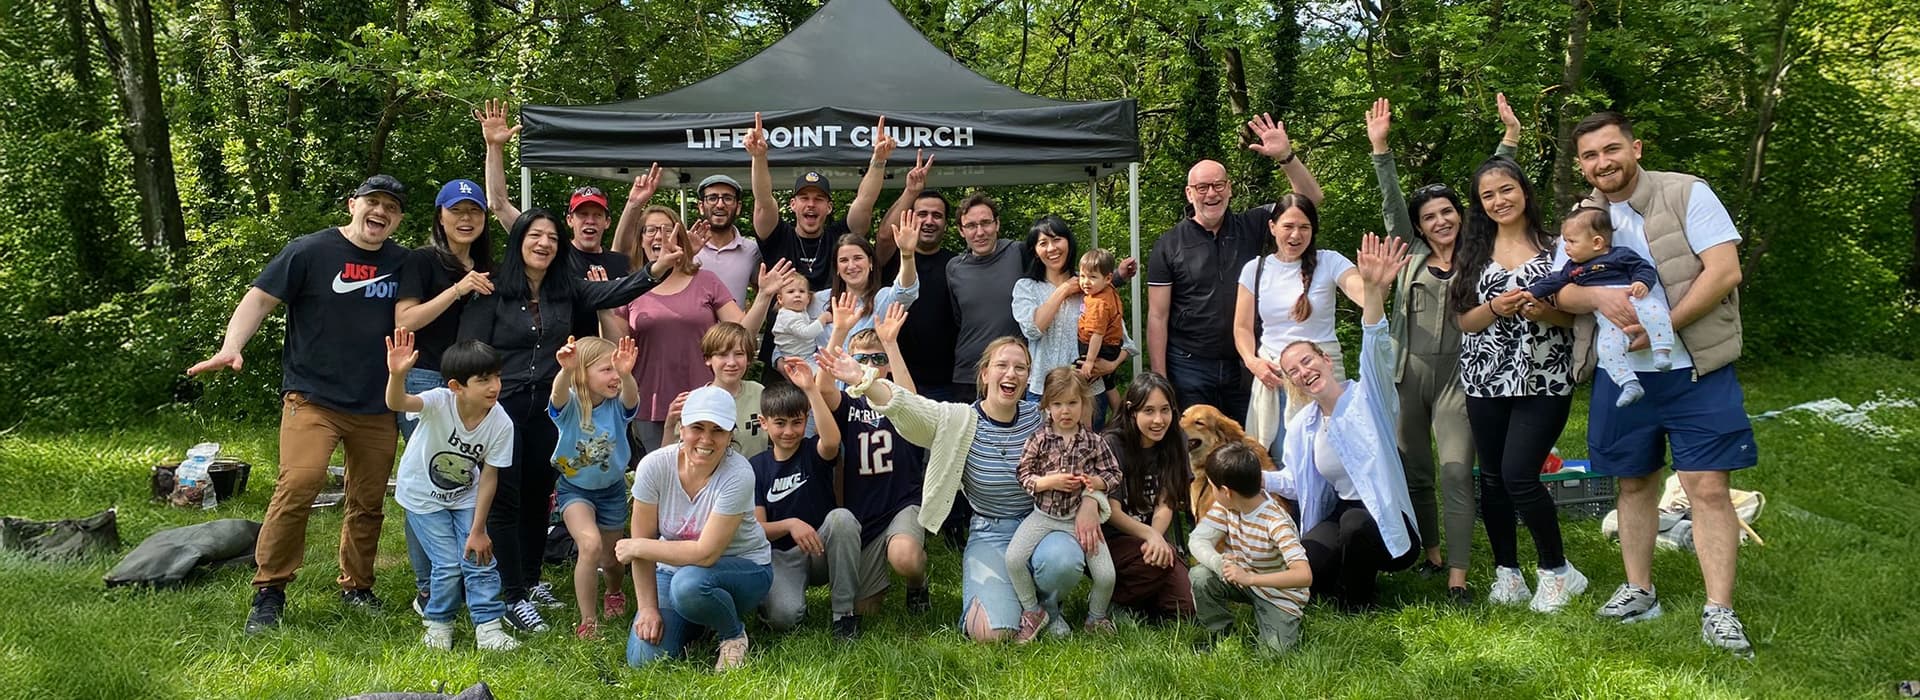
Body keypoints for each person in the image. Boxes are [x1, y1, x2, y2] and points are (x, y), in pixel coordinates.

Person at [1551, 111, 1758, 656]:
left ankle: (1720, 610)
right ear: (1582, 165)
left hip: (1695, 370)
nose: (1603, 163)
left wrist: (1661, 328)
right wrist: (1596, 297)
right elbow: (1561, 293)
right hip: (1624, 381)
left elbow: (1724, 270)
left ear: (1636, 148)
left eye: (1611, 149)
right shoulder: (1584, 219)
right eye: (1591, 156)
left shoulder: (1687, 193)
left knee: (1707, 488)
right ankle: (1640, 590)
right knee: (1634, 483)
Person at [189, 174, 411, 634]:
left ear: (398, 219)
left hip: (377, 403)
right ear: (353, 205)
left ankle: (357, 586)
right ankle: (270, 591)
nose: (381, 212)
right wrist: (232, 344)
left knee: (368, 502)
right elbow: (260, 299)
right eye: (374, 202)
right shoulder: (310, 251)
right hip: (313, 398)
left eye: (391, 207)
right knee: (299, 486)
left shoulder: (404, 263)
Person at [458, 208, 674, 633]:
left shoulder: (566, 290)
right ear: (519, 240)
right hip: (503, 407)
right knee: (506, 494)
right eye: (535, 235)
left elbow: (616, 289)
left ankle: (532, 579)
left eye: (553, 238)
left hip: (550, 412)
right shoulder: (494, 290)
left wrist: (656, 270)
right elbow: (473, 348)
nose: (544, 244)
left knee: (539, 495)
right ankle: (512, 592)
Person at [819, 337, 1099, 642]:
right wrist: (864, 379)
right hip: (991, 532)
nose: (1011, 373)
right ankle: (1016, 599)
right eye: (1002, 365)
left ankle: (1046, 607)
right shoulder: (958, 420)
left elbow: (1089, 459)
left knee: (1063, 561)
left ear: (1028, 378)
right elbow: (908, 405)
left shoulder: (1043, 419)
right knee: (989, 634)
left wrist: (1090, 501)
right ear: (985, 374)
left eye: (1020, 367)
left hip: (1042, 524)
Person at [1365, 95, 1518, 598]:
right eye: (1429, 216)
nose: (1441, 221)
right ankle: (1430, 553)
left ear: (1460, 215)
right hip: (1408, 375)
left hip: (1461, 378)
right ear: (1420, 226)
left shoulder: (1479, 251)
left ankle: (1457, 575)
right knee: (1417, 471)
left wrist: (1509, 140)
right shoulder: (1408, 255)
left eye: (1447, 211)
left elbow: (1497, 193)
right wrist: (1380, 148)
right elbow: (1391, 202)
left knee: (1455, 470)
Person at [1450, 156, 1584, 613]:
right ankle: (1508, 572)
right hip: (1485, 379)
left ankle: (1558, 572)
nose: (1498, 200)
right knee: (1492, 480)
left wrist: (1547, 313)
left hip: (1544, 378)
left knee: (1520, 476)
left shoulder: (1557, 248)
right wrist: (1495, 308)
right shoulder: (1470, 253)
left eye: (1506, 189)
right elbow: (1465, 322)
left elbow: (1578, 315)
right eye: (1487, 195)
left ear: (1524, 191)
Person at [1263, 234, 1423, 610]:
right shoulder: (1305, 424)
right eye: (1293, 371)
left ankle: (1358, 601)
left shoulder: (1370, 398)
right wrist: (1247, 475)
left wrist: (1372, 293)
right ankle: (1338, 580)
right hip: (1342, 512)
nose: (1303, 372)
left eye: (1307, 361)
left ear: (1326, 359)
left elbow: (1376, 347)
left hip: (1381, 518)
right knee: (1310, 569)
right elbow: (1295, 481)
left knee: (1355, 527)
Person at [1149, 113, 1325, 425]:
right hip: (1189, 366)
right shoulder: (1168, 244)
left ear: (1230, 188)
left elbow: (1310, 199)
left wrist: (1286, 156)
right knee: (1197, 452)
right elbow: (1157, 316)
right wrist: (1160, 379)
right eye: (1202, 187)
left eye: (1218, 185)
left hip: (1248, 364)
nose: (1211, 194)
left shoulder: (1253, 225)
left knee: (1250, 449)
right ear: (1189, 193)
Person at [616, 386, 773, 671]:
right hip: (673, 572)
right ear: (681, 427)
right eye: (697, 427)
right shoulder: (653, 466)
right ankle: (701, 620)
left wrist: (639, 546)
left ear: (731, 435)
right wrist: (647, 608)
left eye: (718, 430)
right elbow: (643, 543)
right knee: (644, 661)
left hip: (743, 569)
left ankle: (732, 634)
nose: (706, 439)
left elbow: (705, 555)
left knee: (689, 584)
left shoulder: (738, 474)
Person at [394, 177, 498, 609]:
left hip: (472, 386)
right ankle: (427, 587)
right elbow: (407, 321)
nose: (466, 218)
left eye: (474, 211)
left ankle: (453, 574)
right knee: (426, 481)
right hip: (425, 379)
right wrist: (458, 289)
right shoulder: (421, 261)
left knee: (463, 478)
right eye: (457, 210)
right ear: (440, 216)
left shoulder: (487, 263)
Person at [382, 331, 519, 652]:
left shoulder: (501, 422)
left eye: (497, 377)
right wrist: (397, 375)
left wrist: (479, 529)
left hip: (464, 495)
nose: (495, 386)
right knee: (447, 564)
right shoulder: (438, 401)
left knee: (479, 557)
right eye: (484, 380)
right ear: (457, 387)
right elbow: (397, 402)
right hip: (421, 495)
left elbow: (489, 476)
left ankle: (488, 625)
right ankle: (438, 622)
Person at [606, 206, 782, 454]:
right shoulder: (628, 286)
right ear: (640, 240)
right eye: (652, 230)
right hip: (650, 405)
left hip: (706, 401)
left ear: (680, 238)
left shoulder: (706, 280)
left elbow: (741, 333)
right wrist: (602, 308)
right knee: (664, 480)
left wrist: (764, 296)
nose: (660, 236)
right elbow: (618, 346)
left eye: (668, 230)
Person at [478, 99, 641, 338]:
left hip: (605, 362)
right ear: (569, 220)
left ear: (607, 222)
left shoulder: (618, 263)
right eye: (582, 215)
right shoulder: (552, 250)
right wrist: (494, 147)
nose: (589, 221)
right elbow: (499, 204)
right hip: (559, 361)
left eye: (597, 215)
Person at [747, 113, 891, 380]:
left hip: (832, 354)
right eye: (804, 198)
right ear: (793, 205)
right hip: (785, 355)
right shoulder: (779, 236)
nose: (811, 204)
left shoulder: (840, 237)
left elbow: (864, 201)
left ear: (829, 207)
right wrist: (758, 157)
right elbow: (763, 200)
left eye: (819, 199)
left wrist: (878, 161)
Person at [813, 307, 934, 623]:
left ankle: (918, 583)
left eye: (878, 359)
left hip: (902, 503)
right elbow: (823, 388)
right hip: (864, 512)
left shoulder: (897, 399)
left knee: (905, 558)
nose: (870, 365)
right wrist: (838, 331)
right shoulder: (849, 404)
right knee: (866, 610)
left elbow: (912, 399)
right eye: (862, 359)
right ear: (849, 362)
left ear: (888, 367)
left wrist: (890, 343)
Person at [1233, 194, 1363, 456]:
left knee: (1332, 456)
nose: (1296, 235)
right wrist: (1252, 361)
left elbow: (1365, 297)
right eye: (1288, 226)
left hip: (1323, 378)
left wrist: (1375, 283)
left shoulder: (1331, 261)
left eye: (1304, 227)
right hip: (1275, 380)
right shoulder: (1255, 269)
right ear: (1272, 227)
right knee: (1283, 457)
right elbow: (1242, 327)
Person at [1007, 367, 1121, 642]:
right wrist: (1049, 482)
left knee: (1106, 576)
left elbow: (1114, 474)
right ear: (1046, 406)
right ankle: (1033, 611)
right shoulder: (1039, 439)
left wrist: (1096, 483)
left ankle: (1096, 617)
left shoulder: (1093, 442)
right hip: (1042, 516)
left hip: (1077, 520)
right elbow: (1023, 474)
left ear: (1084, 403)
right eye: (1057, 404)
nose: (1065, 411)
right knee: (1013, 559)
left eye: (1072, 403)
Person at [1525, 208, 1675, 407]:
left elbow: (1644, 268)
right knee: (1606, 347)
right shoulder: (1572, 267)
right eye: (1565, 241)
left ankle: (1662, 350)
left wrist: (1642, 282)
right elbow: (1554, 282)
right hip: (1609, 319)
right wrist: (1530, 293)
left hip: (1634, 298)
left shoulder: (1619, 255)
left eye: (1572, 241)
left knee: (1656, 313)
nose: (1566, 247)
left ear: (1597, 242)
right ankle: (1629, 383)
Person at [750, 362, 858, 637]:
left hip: (822, 549)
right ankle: (783, 600)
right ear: (763, 423)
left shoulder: (812, 451)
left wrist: (811, 389)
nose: (789, 431)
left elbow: (832, 440)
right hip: (782, 556)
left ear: (806, 419)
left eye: (797, 422)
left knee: (842, 519)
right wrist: (790, 524)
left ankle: (843, 614)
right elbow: (757, 527)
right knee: (782, 618)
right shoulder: (756, 467)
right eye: (780, 423)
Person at [547, 335, 640, 639]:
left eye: (616, 370)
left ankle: (613, 589)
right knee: (589, 545)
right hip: (574, 489)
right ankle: (588, 621)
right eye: (606, 370)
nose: (614, 377)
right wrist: (565, 370)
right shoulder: (572, 404)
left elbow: (631, 400)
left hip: (612, 489)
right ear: (583, 373)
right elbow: (557, 395)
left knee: (611, 559)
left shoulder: (616, 405)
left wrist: (626, 375)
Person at [1010, 216, 1136, 429]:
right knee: (1042, 457)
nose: (1052, 248)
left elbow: (1126, 342)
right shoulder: (1026, 287)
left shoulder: (1093, 288)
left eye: (1057, 239)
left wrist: (1111, 365)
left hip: (1087, 394)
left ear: (1069, 242)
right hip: (1042, 393)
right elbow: (1033, 329)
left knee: (1087, 456)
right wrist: (1064, 290)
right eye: (1043, 243)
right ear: (1035, 251)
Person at [1188, 442, 1312, 656]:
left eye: (1211, 486)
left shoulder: (1275, 522)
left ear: (1225, 491)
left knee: (1274, 656)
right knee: (1200, 575)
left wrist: (1251, 579)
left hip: (1278, 594)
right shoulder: (1228, 506)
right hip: (1242, 579)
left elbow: (1304, 575)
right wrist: (1219, 563)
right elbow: (1197, 540)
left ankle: (1279, 623)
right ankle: (1220, 634)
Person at [1100, 372, 1196, 622]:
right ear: (1132, 412)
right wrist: (1152, 536)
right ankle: (1115, 601)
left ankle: (1142, 599)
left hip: (1152, 539)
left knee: (1186, 608)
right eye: (1149, 411)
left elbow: (1167, 501)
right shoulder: (1112, 443)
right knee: (1157, 565)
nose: (1158, 420)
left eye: (1165, 410)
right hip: (1114, 540)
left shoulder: (1176, 440)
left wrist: (1156, 536)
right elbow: (1112, 512)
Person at [944, 194, 1028, 404]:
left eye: (985, 223)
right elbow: (958, 318)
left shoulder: (1018, 252)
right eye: (971, 225)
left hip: (1013, 373)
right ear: (961, 231)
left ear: (997, 223)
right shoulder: (954, 268)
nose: (979, 232)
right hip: (968, 374)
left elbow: (1057, 277)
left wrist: (1113, 278)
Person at [810, 210, 920, 353]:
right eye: (843, 260)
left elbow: (907, 290)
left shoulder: (883, 299)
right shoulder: (818, 301)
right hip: (826, 375)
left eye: (857, 258)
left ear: (870, 263)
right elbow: (794, 337)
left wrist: (907, 255)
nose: (851, 266)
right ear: (837, 268)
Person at [662, 322, 773, 460]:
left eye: (739, 354)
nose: (731, 362)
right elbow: (669, 457)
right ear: (708, 359)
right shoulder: (695, 400)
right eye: (722, 355)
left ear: (748, 359)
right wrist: (670, 425)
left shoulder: (759, 392)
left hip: (758, 478)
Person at [770, 278, 828, 368]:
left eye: (802, 291)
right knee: (821, 376)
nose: (797, 295)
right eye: (791, 291)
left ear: (808, 298)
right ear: (780, 299)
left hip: (806, 355)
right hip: (797, 360)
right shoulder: (787, 316)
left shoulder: (798, 310)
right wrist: (822, 320)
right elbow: (806, 333)